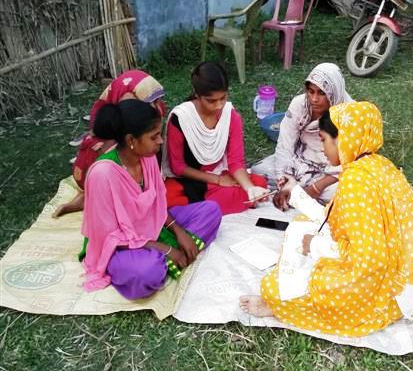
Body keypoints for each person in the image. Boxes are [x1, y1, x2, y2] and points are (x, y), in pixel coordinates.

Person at [240, 101, 413, 337]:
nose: (323, 149)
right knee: (303, 222)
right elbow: (335, 217)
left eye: (324, 140)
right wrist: (295, 191)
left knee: (274, 290)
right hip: (404, 271)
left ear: (343, 139)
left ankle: (278, 307)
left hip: (383, 283)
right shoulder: (377, 165)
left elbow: (368, 259)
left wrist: (315, 246)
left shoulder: (356, 182)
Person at [81, 99, 222, 299]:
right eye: (154, 136)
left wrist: (179, 231)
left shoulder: (147, 158)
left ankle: (168, 259)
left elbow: (158, 205)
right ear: (131, 140)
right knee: (147, 273)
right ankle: (162, 261)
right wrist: (166, 249)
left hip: (153, 227)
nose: (160, 141)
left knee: (211, 211)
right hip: (118, 245)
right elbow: (108, 235)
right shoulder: (102, 174)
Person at [54, 69, 166, 218]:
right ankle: (87, 198)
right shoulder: (105, 148)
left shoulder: (152, 112)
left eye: (157, 100)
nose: (156, 106)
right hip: (102, 173)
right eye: (152, 102)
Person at [163, 61, 268, 215]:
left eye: (223, 98)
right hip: (191, 180)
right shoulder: (180, 119)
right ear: (197, 94)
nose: (219, 105)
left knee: (259, 183)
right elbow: (178, 167)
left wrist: (250, 188)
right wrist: (217, 180)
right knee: (167, 196)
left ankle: (199, 209)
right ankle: (203, 208)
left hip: (219, 174)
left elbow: (235, 162)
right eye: (211, 101)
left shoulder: (231, 116)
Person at [252, 62, 353, 210]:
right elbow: (285, 144)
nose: (314, 99)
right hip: (299, 160)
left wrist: (315, 188)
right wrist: (286, 180)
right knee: (259, 170)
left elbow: (349, 160)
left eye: (321, 93)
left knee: (343, 195)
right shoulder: (299, 104)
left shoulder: (349, 115)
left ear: (334, 92)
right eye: (311, 91)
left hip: (331, 172)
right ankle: (296, 188)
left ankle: (303, 190)